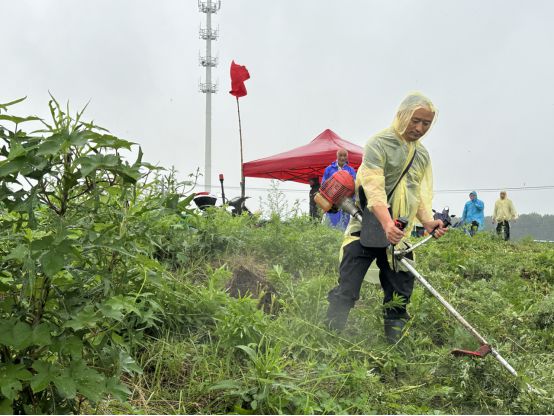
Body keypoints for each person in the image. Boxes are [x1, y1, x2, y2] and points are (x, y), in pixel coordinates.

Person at [325, 92, 447, 343]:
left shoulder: (421, 154)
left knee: (400, 287)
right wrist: (385, 222)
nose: (420, 128)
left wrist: (427, 221)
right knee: (347, 285)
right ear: (403, 115)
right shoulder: (378, 144)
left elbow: (416, 193)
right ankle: (327, 338)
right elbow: (373, 186)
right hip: (367, 224)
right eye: (416, 120)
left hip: (398, 231)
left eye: (426, 123)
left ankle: (394, 347)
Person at [321, 149, 356, 230]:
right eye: (341, 155)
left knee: (344, 226)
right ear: (337, 156)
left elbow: (354, 186)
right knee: (330, 226)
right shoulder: (329, 169)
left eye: (345, 156)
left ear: (347, 157)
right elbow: (323, 183)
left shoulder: (351, 170)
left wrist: (352, 201)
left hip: (345, 203)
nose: (343, 158)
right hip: (331, 202)